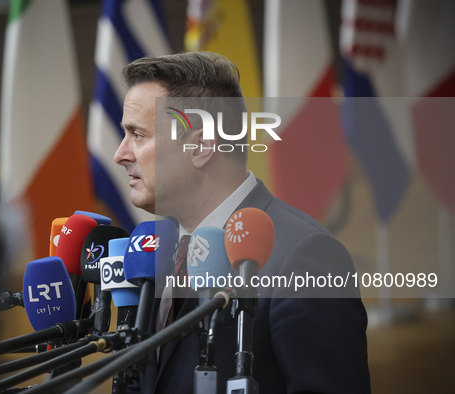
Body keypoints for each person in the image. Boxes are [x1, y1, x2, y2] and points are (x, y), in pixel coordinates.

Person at [114, 51, 370, 394]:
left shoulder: (304, 256)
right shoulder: (155, 254)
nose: (121, 154)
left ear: (202, 147)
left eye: (138, 135)